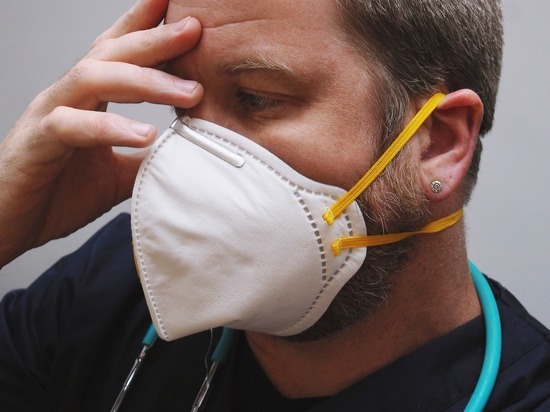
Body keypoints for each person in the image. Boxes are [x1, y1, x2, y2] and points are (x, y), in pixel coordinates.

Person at [0, 0, 549, 410]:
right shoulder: (115, 284)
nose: (191, 161)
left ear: (437, 142)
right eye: (183, 104)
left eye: (257, 98)